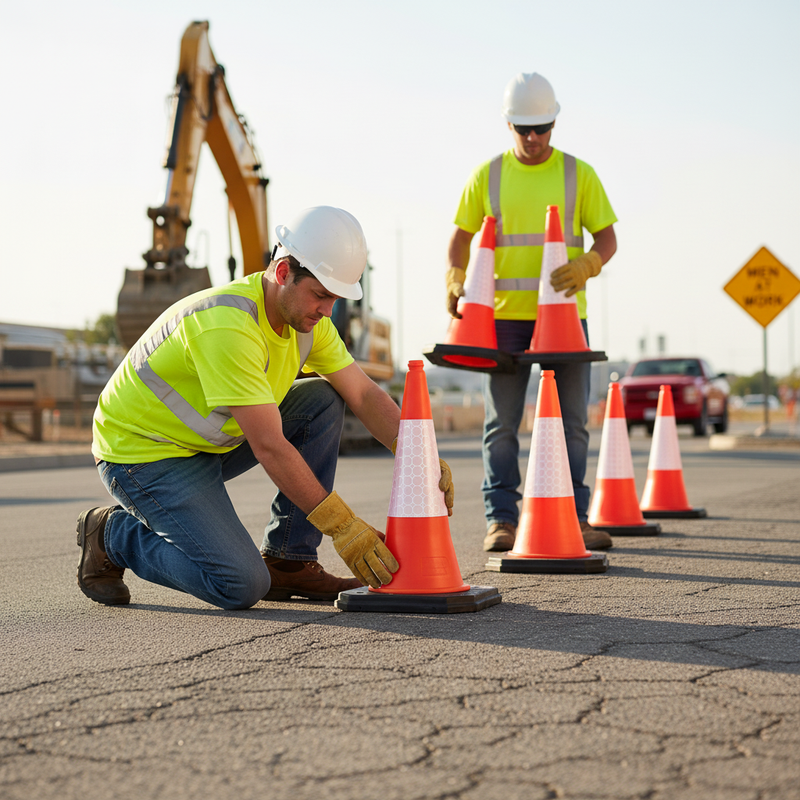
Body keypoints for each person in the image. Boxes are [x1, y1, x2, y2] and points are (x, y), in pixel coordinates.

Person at [77, 206, 454, 609]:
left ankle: (288, 561)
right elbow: (270, 446)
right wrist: (343, 526)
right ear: (283, 273)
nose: (327, 310)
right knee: (238, 584)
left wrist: (416, 452)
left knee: (323, 399)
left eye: (336, 298)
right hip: (143, 456)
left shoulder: (307, 323)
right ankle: (112, 535)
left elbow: (362, 393)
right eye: (321, 295)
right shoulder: (228, 325)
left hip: (203, 446)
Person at [445, 72, 617, 553]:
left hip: (564, 318)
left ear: (554, 122)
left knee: (572, 424)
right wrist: (454, 278)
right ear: (509, 124)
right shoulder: (488, 176)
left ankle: (574, 518)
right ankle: (502, 519)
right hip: (503, 321)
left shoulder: (578, 174)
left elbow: (607, 238)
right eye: (524, 128)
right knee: (501, 425)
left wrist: (588, 264)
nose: (534, 137)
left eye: (542, 127)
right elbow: (460, 238)